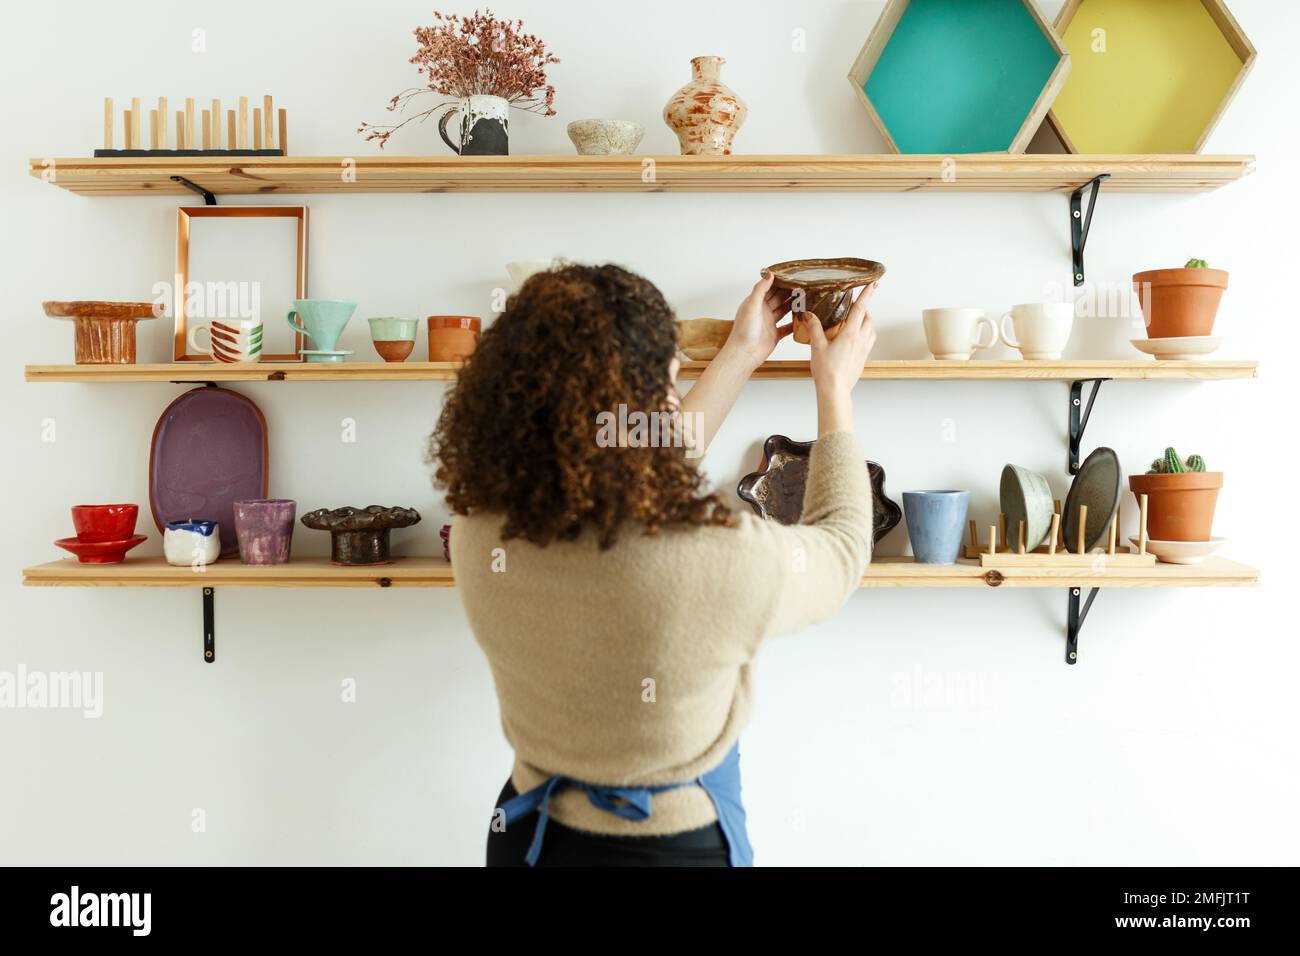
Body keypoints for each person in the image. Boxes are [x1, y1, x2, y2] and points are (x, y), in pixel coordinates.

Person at [432, 263, 878, 866]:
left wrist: (742, 354)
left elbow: (621, 461)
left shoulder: (479, 531)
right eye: (670, 380)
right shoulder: (718, 556)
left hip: (528, 836)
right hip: (670, 851)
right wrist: (834, 391)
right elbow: (844, 545)